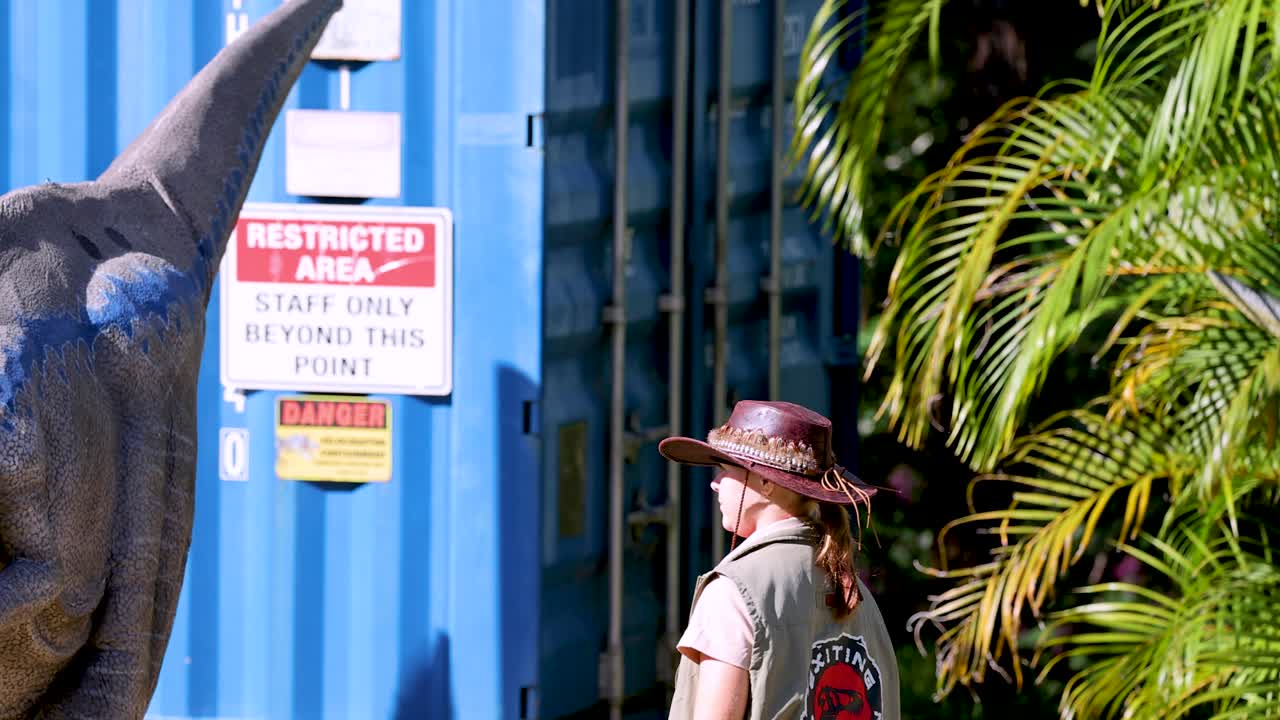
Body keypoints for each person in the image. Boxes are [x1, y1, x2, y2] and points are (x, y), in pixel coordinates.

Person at [659, 400, 900, 720]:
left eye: (725, 470)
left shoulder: (732, 593)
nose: (714, 483)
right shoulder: (854, 589)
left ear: (765, 482)